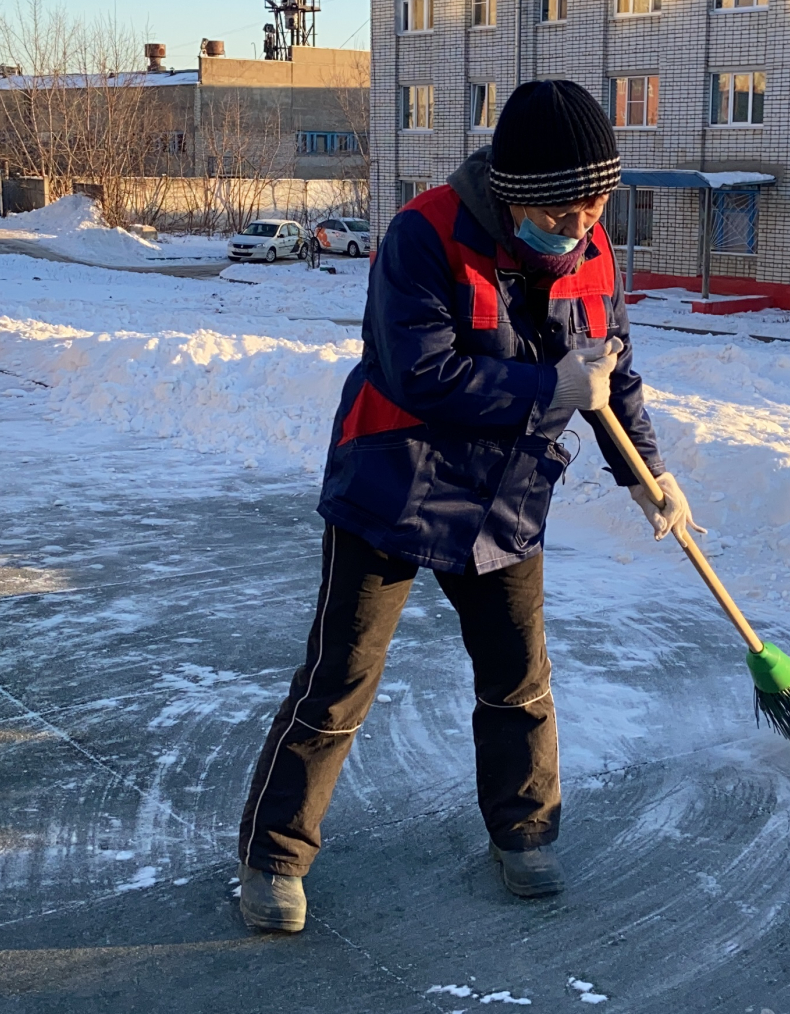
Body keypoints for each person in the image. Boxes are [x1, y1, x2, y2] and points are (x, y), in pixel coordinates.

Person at [233, 80, 701, 933]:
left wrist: (649, 475)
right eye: (567, 208)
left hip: (505, 502)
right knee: (339, 684)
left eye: (599, 202)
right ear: (515, 192)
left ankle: (526, 834)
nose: (586, 223)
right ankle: (274, 856)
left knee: (520, 681)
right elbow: (420, 373)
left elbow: (614, 378)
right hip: (394, 487)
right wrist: (552, 384)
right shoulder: (423, 234)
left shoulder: (593, 253)